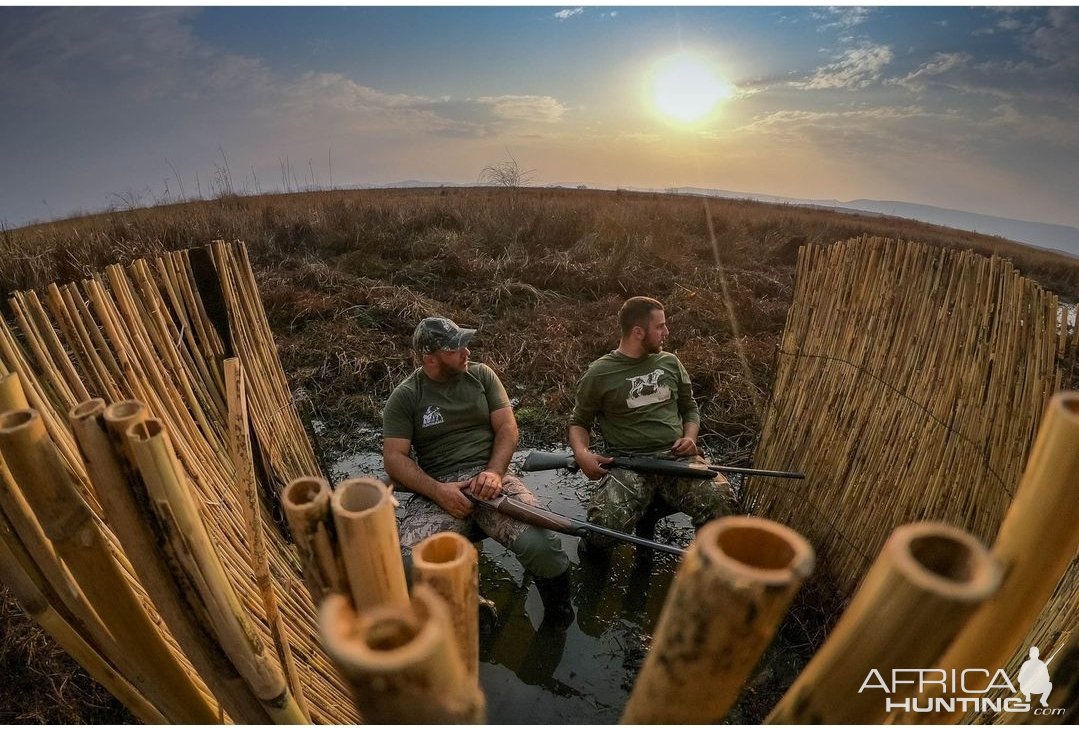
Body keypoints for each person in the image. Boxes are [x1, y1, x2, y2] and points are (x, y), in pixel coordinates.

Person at [383, 316, 573, 625]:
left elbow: (508, 429)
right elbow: (394, 459)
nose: (466, 352)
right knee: (408, 567)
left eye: (465, 343)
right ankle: (468, 603)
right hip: (437, 488)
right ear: (429, 358)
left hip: (490, 480)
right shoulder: (406, 396)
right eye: (455, 348)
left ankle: (559, 618)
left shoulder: (482, 376)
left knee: (542, 546)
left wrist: (494, 472)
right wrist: (437, 491)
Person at [568, 296, 735, 552]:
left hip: (676, 460)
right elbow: (579, 422)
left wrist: (690, 438)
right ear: (638, 332)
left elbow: (690, 408)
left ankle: (702, 567)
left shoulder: (669, 362)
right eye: (660, 326)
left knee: (722, 505)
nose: (666, 332)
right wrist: (581, 454)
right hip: (629, 464)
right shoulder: (599, 373)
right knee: (602, 531)